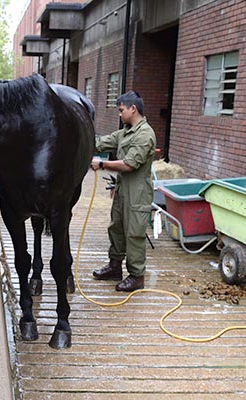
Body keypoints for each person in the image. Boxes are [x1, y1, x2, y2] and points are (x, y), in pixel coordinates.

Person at [91, 91, 156, 292]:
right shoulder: (126, 132)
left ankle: (136, 276)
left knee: (134, 233)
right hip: (122, 191)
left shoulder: (145, 134)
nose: (120, 114)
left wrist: (102, 164)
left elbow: (129, 164)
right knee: (116, 228)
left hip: (137, 193)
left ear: (133, 108)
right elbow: (101, 142)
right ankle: (114, 267)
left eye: (121, 110)